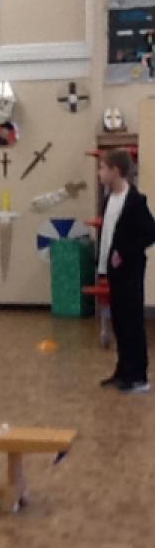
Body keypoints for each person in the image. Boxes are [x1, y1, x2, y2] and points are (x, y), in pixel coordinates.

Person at [97, 149, 155, 393]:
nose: (99, 173)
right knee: (119, 322)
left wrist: (125, 252)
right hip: (113, 270)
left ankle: (139, 377)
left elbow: (150, 233)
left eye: (103, 168)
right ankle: (123, 371)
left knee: (132, 323)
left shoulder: (135, 201)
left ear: (116, 171)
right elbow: (109, 234)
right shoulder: (109, 199)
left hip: (130, 271)